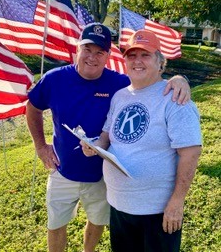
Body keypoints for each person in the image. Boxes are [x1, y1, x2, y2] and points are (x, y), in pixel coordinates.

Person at [26, 23, 191, 252]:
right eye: (87, 49)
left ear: (107, 57)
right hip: (62, 169)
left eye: (100, 52)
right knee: (56, 224)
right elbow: (32, 107)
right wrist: (41, 146)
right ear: (78, 49)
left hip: (101, 179)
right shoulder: (55, 79)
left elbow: (150, 80)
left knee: (97, 221)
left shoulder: (119, 84)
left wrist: (180, 78)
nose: (92, 57)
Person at [82, 29, 202, 252]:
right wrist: (95, 146)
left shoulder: (174, 97)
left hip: (156, 211)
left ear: (160, 63)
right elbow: (107, 135)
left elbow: (190, 153)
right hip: (119, 206)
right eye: (131, 55)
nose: (137, 61)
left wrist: (177, 202)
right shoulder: (120, 96)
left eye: (145, 55)